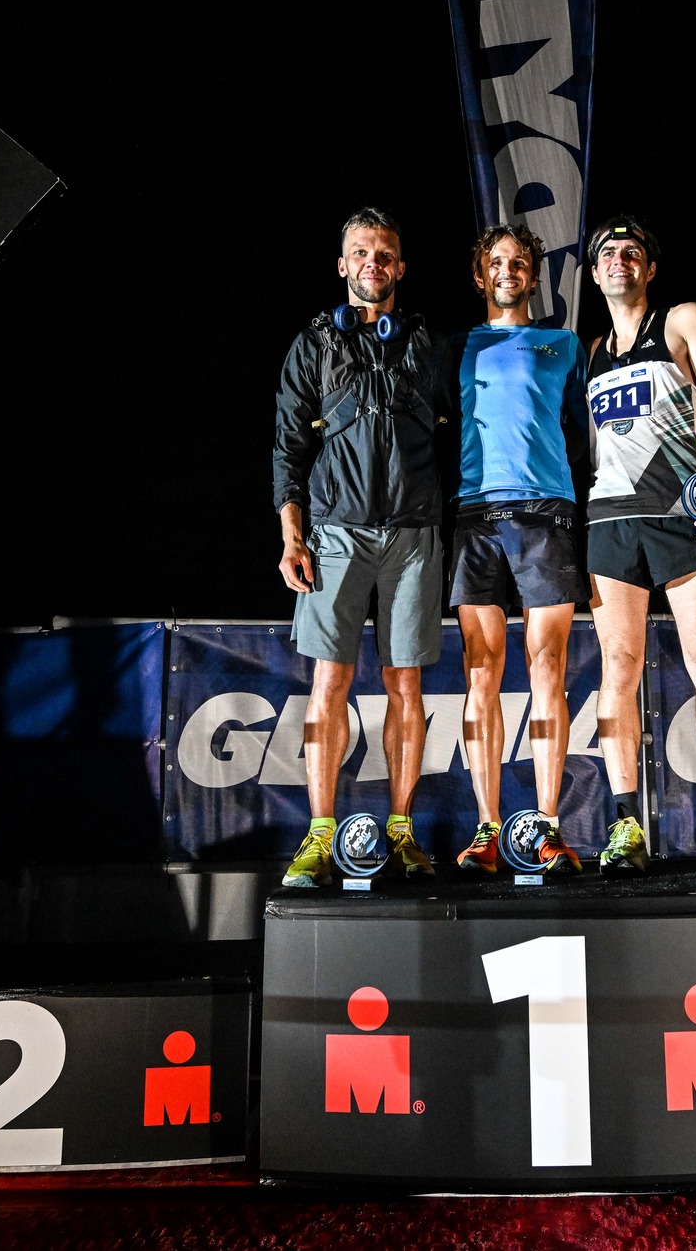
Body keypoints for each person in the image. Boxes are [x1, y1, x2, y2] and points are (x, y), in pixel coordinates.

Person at [271, 208, 453, 887]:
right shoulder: (313, 343)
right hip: (336, 532)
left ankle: (401, 831)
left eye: (384, 253)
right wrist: (292, 535)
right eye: (360, 252)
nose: (372, 262)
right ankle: (319, 837)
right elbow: (288, 447)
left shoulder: (429, 344)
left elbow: (460, 433)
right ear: (343, 264)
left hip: (413, 534)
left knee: (406, 683)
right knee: (330, 680)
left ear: (399, 267)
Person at [583, 215, 696, 873]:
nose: (619, 258)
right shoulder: (591, 350)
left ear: (650, 268)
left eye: (632, 250)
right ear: (594, 272)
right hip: (610, 521)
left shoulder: (682, 320)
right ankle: (625, 825)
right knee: (617, 667)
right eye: (608, 252)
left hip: (684, 513)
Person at [449, 225, 591, 876]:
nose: (508, 271)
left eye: (519, 263)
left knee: (547, 667)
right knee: (481, 670)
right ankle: (487, 829)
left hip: (547, 514)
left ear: (534, 275)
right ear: (481, 276)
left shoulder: (565, 345)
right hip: (474, 515)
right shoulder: (457, 348)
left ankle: (546, 829)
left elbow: (582, 436)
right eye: (496, 263)